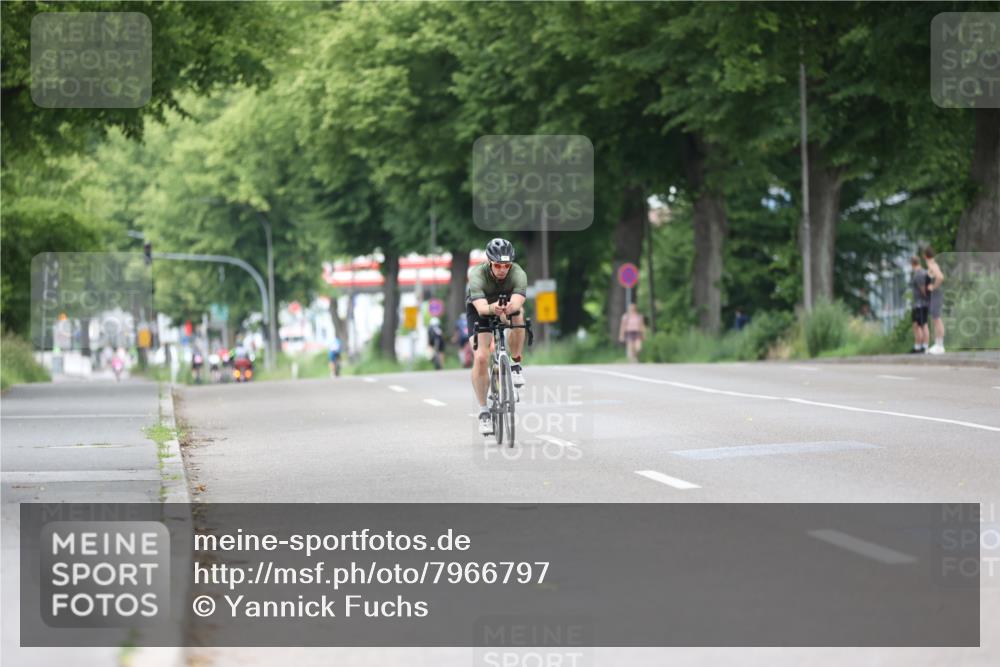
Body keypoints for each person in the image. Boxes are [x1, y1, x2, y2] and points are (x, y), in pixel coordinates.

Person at [467, 238, 529, 435]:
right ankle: (484, 411)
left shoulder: (518, 273)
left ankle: (515, 362)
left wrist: (508, 310)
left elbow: (518, 303)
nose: (502, 269)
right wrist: (495, 309)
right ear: (489, 262)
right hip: (480, 310)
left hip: (507, 306)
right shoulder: (477, 274)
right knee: (481, 357)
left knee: (519, 318)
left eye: (506, 265)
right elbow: (482, 308)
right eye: (498, 265)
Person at [924, 246, 946, 354]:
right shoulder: (932, 265)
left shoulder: (932, 265)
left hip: (936, 295)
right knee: (935, 319)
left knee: (937, 319)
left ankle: (940, 345)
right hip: (934, 296)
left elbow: (940, 277)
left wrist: (933, 287)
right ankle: (937, 344)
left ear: (925, 256)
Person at [908, 255, 930, 353]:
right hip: (917, 303)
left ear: (912, 263)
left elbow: (923, 289)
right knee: (916, 324)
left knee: (923, 324)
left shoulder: (919, 274)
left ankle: (924, 346)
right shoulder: (921, 272)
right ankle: (918, 346)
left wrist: (927, 298)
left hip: (921, 303)